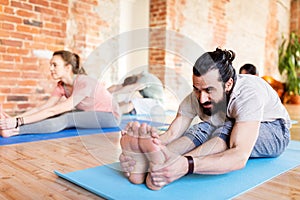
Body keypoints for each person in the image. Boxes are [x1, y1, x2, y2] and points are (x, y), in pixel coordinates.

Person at [119, 48, 291, 190]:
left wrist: (187, 165)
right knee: (202, 127)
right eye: (197, 89)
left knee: (226, 129)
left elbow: (239, 155)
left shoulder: (248, 95)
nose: (202, 98)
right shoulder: (199, 95)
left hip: (275, 131)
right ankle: (155, 161)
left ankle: (171, 166)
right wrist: (152, 143)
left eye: (209, 90)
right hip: (229, 126)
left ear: (228, 84)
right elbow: (172, 132)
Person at [0, 50, 120, 137]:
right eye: (50, 65)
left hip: (110, 116)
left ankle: (14, 131)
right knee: (56, 115)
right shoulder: (61, 85)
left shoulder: (84, 82)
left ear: (68, 68)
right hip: (91, 113)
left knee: (67, 118)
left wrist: (18, 123)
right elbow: (44, 107)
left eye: (55, 65)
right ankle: (11, 126)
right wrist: (13, 119)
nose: (51, 68)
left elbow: (54, 110)